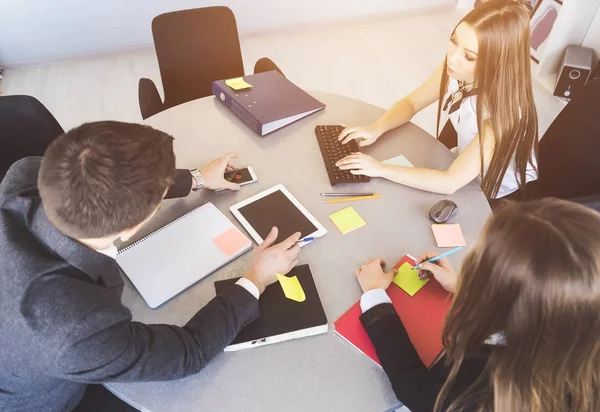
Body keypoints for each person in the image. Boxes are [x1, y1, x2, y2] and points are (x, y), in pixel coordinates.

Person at [0, 121, 302, 412]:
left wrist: (197, 178)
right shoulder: (76, 331)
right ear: (132, 228)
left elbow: (103, 179)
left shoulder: (24, 175)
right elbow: (187, 352)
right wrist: (255, 279)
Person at [354, 198, 600, 411]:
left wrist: (375, 296)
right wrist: (465, 286)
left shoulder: (486, 391)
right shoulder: (576, 335)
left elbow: (416, 390)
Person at [336, 0, 538, 201]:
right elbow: (412, 103)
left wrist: (379, 168)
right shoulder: (455, 69)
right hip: (461, 157)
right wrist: (376, 128)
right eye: (454, 40)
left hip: (491, 189)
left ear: (497, 62)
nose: (452, 58)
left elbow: (450, 182)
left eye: (469, 56)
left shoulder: (501, 114)